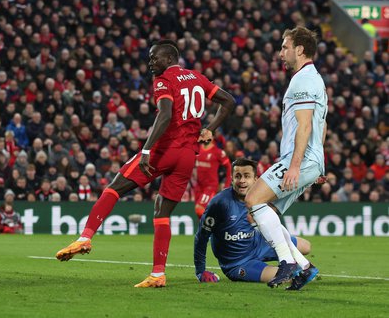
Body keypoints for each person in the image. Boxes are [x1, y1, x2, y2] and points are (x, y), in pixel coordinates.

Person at [55, 39, 235, 288]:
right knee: (162, 212)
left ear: (169, 59)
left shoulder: (163, 81)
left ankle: (85, 237)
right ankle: (158, 274)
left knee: (115, 187)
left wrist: (147, 150)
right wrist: (210, 129)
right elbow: (229, 101)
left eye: (154, 58)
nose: (151, 63)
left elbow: (165, 114)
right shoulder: (198, 77)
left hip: (164, 149)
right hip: (187, 156)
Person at [245, 26, 326, 288]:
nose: (281, 52)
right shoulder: (314, 78)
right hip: (310, 160)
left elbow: (305, 127)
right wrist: (318, 164)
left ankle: (286, 261)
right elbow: (320, 126)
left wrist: (294, 167)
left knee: (253, 199)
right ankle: (304, 267)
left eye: (284, 46)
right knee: (261, 212)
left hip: (299, 160)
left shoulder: (302, 80)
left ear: (299, 49)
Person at [194, 159, 317, 289]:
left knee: (306, 246)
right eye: (237, 176)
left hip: (259, 244)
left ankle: (296, 266)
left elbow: (289, 187)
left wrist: (310, 179)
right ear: (231, 179)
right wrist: (201, 271)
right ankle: (291, 269)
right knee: (288, 276)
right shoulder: (220, 203)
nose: (242, 180)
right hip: (239, 263)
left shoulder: (261, 196)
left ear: (256, 180)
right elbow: (201, 237)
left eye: (247, 176)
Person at [194, 138, 231, 218]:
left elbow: (229, 167)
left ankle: (218, 220)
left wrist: (227, 185)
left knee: (199, 209)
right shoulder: (198, 149)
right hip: (198, 186)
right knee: (200, 215)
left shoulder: (218, 152)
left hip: (210, 186)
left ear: (212, 136)